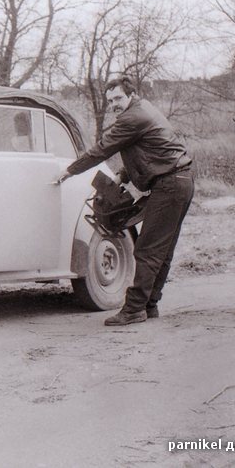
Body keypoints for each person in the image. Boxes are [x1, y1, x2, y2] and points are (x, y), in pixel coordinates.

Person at [56, 75, 194, 326]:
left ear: (130, 94)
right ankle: (148, 305)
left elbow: (102, 149)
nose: (114, 105)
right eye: (110, 101)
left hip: (170, 184)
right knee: (161, 250)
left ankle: (134, 309)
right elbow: (147, 151)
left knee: (148, 248)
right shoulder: (143, 110)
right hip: (179, 182)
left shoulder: (133, 117)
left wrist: (70, 170)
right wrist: (122, 175)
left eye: (118, 98)